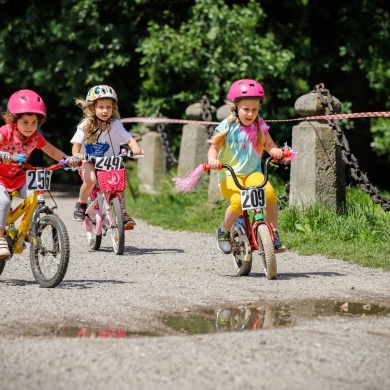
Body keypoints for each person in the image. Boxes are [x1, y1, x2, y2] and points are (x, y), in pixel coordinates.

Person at [207, 79, 285, 254]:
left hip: (252, 173)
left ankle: (274, 233)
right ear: (235, 107)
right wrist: (213, 160)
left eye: (255, 109)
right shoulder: (227, 126)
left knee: (269, 193)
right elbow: (214, 147)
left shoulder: (259, 125)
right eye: (246, 109)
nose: (250, 114)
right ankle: (224, 231)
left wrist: (275, 151)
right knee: (239, 201)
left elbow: (269, 144)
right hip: (230, 176)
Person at [0, 89, 77, 259]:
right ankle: (0, 239)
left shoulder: (35, 137)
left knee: (34, 194)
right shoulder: (6, 132)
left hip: (18, 177)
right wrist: (3, 155)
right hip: (0, 178)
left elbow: (51, 150)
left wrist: (68, 159)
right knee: (4, 201)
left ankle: (27, 228)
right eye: (25, 122)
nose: (30, 127)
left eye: (34, 122)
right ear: (14, 120)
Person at [70, 85, 142, 227]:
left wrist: (135, 148)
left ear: (113, 108)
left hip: (110, 161)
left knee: (118, 184)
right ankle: (82, 203)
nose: (105, 111)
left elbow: (128, 138)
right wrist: (77, 156)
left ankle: (122, 212)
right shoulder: (85, 125)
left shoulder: (115, 124)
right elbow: (76, 145)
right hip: (89, 160)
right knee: (90, 180)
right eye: (101, 107)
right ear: (92, 108)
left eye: (108, 107)